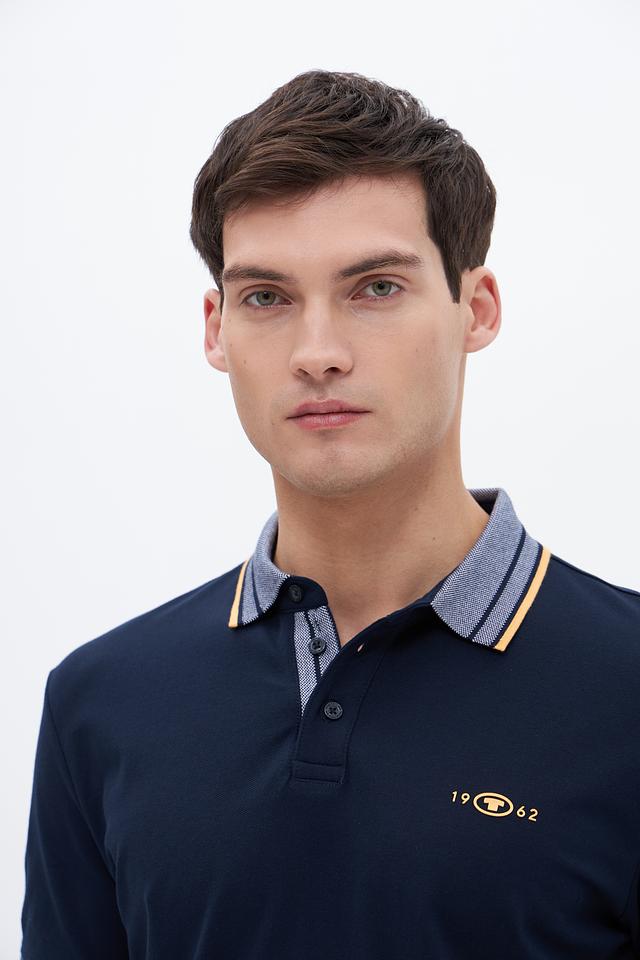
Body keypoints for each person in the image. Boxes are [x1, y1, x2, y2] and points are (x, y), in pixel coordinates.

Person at [20, 69, 640, 959]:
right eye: (266, 297)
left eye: (376, 287)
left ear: (476, 309)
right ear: (216, 328)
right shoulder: (100, 702)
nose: (317, 353)